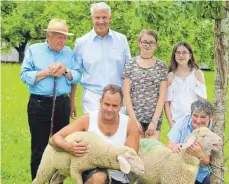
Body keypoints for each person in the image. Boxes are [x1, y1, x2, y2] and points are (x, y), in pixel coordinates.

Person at [20, 18, 81, 180]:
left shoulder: (68, 52)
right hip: (39, 104)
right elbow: (24, 75)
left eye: (65, 37)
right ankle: (37, 180)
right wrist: (47, 72)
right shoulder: (34, 50)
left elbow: (77, 76)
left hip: (62, 103)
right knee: (39, 148)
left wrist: (66, 70)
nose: (63, 40)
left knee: (60, 146)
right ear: (49, 35)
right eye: (59, 36)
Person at [50, 84, 140, 184]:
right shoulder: (87, 120)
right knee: (99, 178)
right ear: (100, 101)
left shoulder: (129, 125)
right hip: (92, 174)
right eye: (107, 104)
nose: (110, 109)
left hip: (119, 177)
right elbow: (55, 138)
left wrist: (98, 158)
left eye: (114, 106)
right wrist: (68, 147)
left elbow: (130, 160)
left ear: (121, 106)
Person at [73, 2, 131, 114]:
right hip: (92, 97)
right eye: (97, 17)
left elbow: (128, 70)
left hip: (118, 95)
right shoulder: (81, 43)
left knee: (118, 130)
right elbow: (75, 73)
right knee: (93, 130)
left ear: (110, 18)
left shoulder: (122, 40)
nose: (101, 21)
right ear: (91, 18)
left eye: (104, 17)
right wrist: (72, 101)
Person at [122, 29, 167, 140]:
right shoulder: (130, 64)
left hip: (153, 118)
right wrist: (134, 120)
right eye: (144, 42)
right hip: (135, 116)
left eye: (151, 42)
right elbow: (127, 94)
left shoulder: (161, 66)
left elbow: (162, 95)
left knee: (153, 153)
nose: (147, 45)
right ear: (139, 43)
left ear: (156, 45)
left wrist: (154, 121)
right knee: (135, 152)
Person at [167, 99, 214, 184]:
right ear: (191, 114)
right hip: (180, 169)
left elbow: (207, 162)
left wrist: (199, 155)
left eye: (203, 117)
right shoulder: (182, 122)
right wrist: (174, 147)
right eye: (195, 116)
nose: (198, 120)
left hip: (200, 174)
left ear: (210, 117)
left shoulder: (213, 131)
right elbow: (169, 145)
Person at [164, 41, 207, 128]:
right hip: (177, 121)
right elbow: (166, 102)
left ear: (190, 56)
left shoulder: (197, 74)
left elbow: (203, 100)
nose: (181, 55)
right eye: (178, 53)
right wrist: (171, 123)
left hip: (195, 121)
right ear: (174, 55)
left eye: (184, 52)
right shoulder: (170, 77)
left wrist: (201, 120)